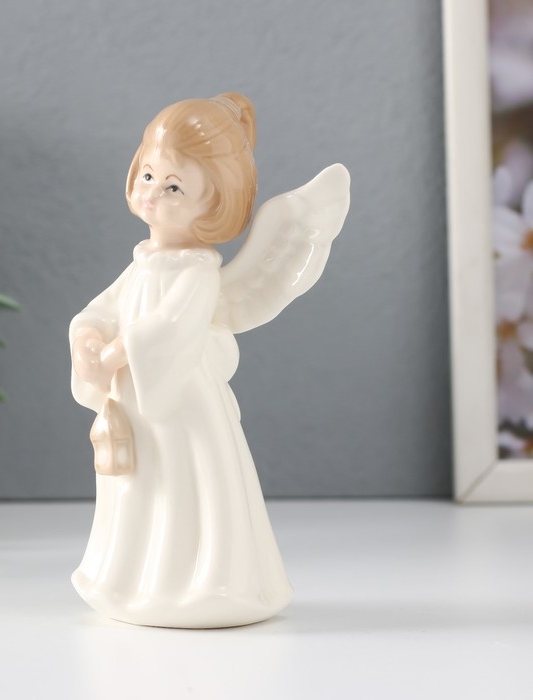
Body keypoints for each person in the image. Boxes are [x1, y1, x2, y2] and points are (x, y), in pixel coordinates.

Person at [69, 92, 349, 628]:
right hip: (137, 398)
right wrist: (87, 338)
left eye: (173, 187)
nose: (152, 193)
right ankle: (130, 579)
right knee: (140, 489)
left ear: (214, 204)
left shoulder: (197, 273)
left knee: (183, 485)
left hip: (178, 402)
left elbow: (169, 329)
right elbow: (103, 310)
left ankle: (202, 583)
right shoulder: (143, 262)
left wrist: (117, 351)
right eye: (148, 175)